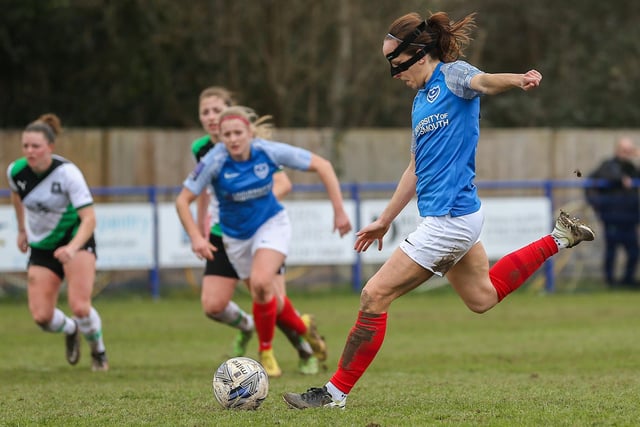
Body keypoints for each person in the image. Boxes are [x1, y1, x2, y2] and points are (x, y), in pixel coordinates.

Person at [283, 10, 595, 409]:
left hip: (450, 222)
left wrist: (517, 79)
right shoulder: (419, 103)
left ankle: (334, 393)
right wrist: (384, 220)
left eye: (394, 62)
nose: (393, 73)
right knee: (482, 298)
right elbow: (415, 168)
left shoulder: (453, 75)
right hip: (454, 217)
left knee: (372, 296)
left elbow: (483, 82)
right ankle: (559, 238)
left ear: (417, 53)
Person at [176, 105, 352, 377]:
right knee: (267, 296)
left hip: (271, 225)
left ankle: (265, 352)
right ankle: (305, 329)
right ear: (220, 138)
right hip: (235, 238)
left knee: (260, 282)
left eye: (238, 132)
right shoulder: (214, 160)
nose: (233, 139)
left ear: (250, 132)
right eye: (227, 135)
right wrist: (197, 237)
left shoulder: (267, 151)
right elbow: (182, 200)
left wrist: (339, 210)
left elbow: (323, 165)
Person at [6, 113, 109, 371]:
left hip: (75, 239)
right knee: (42, 317)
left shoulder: (68, 174)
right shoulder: (16, 171)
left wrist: (72, 247)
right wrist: (21, 230)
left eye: (36, 146)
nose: (30, 151)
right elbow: (16, 196)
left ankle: (98, 351)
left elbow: (89, 218)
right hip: (42, 245)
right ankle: (71, 329)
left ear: (50, 147)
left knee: (80, 306)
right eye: (26, 146)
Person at [586, 137, 640, 288]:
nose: (627, 153)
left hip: (630, 218)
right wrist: (620, 179)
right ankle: (610, 283)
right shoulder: (608, 165)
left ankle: (627, 281)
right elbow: (597, 178)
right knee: (611, 251)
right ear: (617, 150)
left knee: (634, 252)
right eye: (625, 150)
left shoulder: (632, 168)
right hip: (612, 217)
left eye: (630, 150)